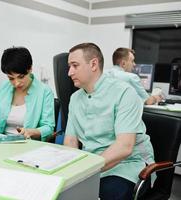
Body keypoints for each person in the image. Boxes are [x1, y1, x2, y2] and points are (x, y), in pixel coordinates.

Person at [63, 43, 154, 200]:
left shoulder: (124, 93)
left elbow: (124, 147)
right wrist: (74, 170)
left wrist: (86, 171)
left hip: (127, 166)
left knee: (102, 195)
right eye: (69, 66)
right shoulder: (75, 98)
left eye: (74, 66)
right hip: (92, 166)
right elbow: (70, 140)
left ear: (93, 64)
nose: (69, 72)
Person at [0, 46, 55, 141]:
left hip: (28, 144)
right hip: (1, 140)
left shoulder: (44, 91)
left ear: (30, 69)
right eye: (11, 78)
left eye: (21, 77)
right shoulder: (4, 87)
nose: (16, 83)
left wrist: (31, 132)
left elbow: (48, 127)